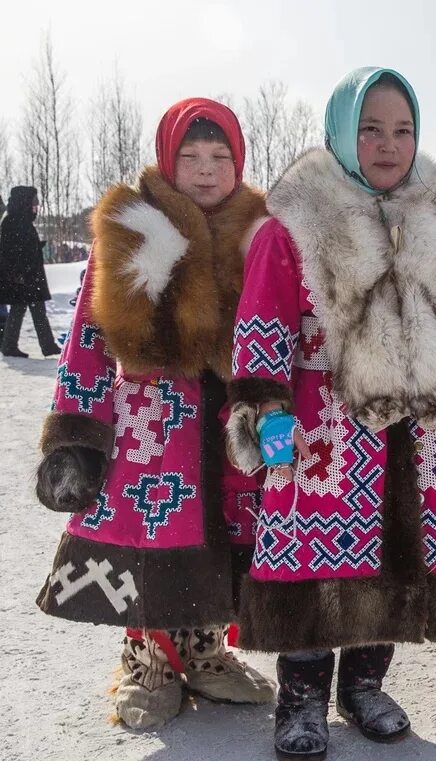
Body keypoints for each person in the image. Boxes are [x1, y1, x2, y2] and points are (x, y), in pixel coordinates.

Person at [225, 68, 436, 761]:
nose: (388, 144)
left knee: (397, 556)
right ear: (339, 132)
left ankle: (363, 685)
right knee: (310, 560)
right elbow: (260, 322)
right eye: (370, 127)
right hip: (321, 430)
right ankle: (301, 695)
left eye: (402, 130)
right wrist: (265, 407)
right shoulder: (292, 225)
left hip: (422, 431)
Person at [33, 99, 275, 729]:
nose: (205, 169)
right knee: (153, 539)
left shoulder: (262, 233)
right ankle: (148, 658)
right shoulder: (133, 227)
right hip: (153, 434)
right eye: (190, 156)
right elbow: (87, 335)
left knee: (226, 537)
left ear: (239, 162)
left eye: (220, 157)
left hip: (230, 426)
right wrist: (76, 433)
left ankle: (203, 650)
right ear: (169, 160)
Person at [0, 186, 58, 357]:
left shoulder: (21, 221)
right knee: (28, 310)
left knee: (29, 310)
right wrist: (17, 273)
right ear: (24, 203)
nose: (36, 206)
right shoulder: (12, 222)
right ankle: (41, 346)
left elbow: (22, 248)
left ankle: (42, 345)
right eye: (34, 202)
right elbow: (10, 252)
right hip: (23, 277)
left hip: (28, 276)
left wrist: (36, 247)